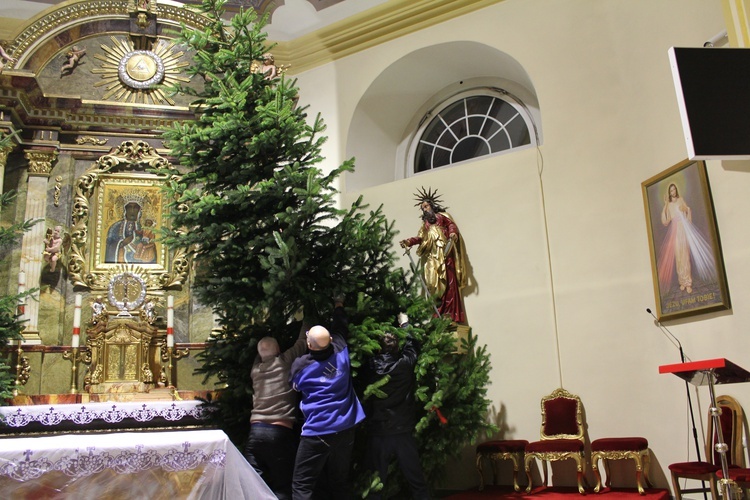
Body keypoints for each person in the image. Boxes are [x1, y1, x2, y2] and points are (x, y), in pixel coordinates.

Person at [289, 297, 365, 499]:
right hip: (346, 428)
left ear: (308, 344)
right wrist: (339, 304)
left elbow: (295, 386)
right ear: (330, 340)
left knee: (301, 485)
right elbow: (341, 327)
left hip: (318, 431)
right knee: (339, 482)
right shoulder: (341, 351)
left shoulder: (300, 366)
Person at [365, 313, 430, 500]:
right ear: (397, 347)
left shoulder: (371, 367)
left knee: (376, 481)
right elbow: (412, 346)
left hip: (379, 431)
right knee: (415, 479)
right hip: (402, 431)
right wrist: (405, 324)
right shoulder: (404, 365)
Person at [244, 325, 308, 500]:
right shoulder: (285, 362)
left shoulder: (255, 370)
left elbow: (261, 355)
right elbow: (302, 343)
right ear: (279, 350)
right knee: (283, 485)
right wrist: (309, 313)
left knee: (255, 483)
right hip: (280, 433)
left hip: (255, 433)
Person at [400, 187, 468, 323]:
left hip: (444, 252)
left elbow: (451, 225)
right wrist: (408, 242)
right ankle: (438, 313)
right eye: (422, 208)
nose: (425, 209)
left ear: (432, 205)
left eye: (426, 206)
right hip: (432, 256)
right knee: (433, 283)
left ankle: (450, 314)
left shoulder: (442, 217)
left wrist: (453, 233)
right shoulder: (424, 225)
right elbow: (419, 238)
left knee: (449, 282)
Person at [658, 182, 716, 295]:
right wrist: (665, 205)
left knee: (685, 255)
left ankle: (688, 282)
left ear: (676, 190)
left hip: (683, 229)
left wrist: (685, 208)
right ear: (669, 193)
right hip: (674, 232)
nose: (673, 192)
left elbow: (687, 209)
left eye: (674, 190)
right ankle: (682, 282)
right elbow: (665, 221)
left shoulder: (681, 199)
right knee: (678, 256)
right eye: (671, 191)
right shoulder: (669, 205)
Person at [106, 199, 144, 263]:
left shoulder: (143, 227)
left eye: (135, 208)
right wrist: (121, 243)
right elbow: (109, 245)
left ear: (139, 210)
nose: (132, 211)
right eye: (129, 208)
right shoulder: (115, 227)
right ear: (125, 210)